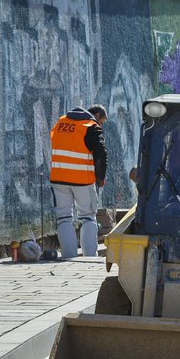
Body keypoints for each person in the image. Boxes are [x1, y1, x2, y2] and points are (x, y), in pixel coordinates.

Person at [49, 105, 108, 258]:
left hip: (59, 178)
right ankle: (89, 258)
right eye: (101, 121)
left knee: (63, 218)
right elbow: (101, 152)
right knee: (88, 217)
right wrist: (100, 177)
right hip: (82, 180)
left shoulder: (60, 123)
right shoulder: (91, 126)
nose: (101, 125)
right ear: (95, 115)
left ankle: (68, 257)